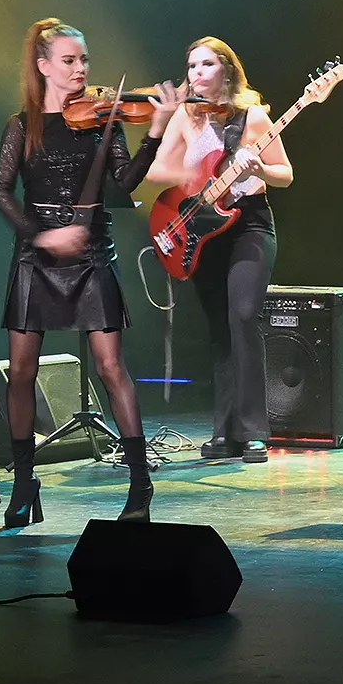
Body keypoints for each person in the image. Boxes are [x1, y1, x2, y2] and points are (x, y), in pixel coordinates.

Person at [0, 18, 181, 527]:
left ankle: (140, 482)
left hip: (92, 252)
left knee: (110, 366)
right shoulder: (20, 125)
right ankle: (24, 482)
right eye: (70, 61)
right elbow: (1, 192)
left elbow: (125, 181)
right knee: (22, 373)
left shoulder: (104, 120)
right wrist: (41, 234)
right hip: (37, 254)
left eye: (85, 61)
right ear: (44, 66)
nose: (81, 70)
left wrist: (155, 133)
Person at [142, 38, 292, 463]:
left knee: (243, 316)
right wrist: (193, 176)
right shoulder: (185, 118)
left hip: (249, 224)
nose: (196, 73)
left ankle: (253, 430)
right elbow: (156, 171)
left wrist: (259, 167)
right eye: (191, 66)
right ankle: (224, 432)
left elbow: (286, 175)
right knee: (219, 329)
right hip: (203, 227)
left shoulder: (254, 116)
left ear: (227, 69)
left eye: (206, 64)